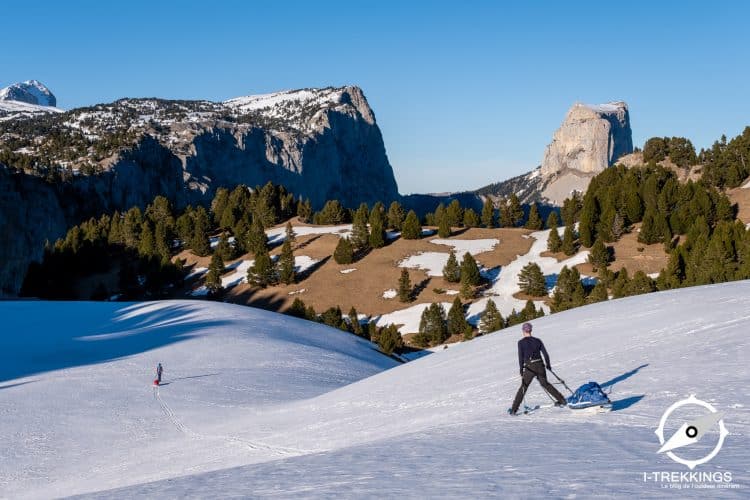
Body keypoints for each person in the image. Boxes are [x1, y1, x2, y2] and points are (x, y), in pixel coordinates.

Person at [509, 322, 567, 415]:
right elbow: (545, 354)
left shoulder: (521, 343)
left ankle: (513, 409)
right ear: (531, 330)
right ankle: (562, 400)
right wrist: (548, 365)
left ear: (523, 331)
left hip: (529, 367)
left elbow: (521, 357)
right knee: (545, 384)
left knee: (523, 387)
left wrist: (521, 370)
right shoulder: (538, 340)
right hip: (540, 365)